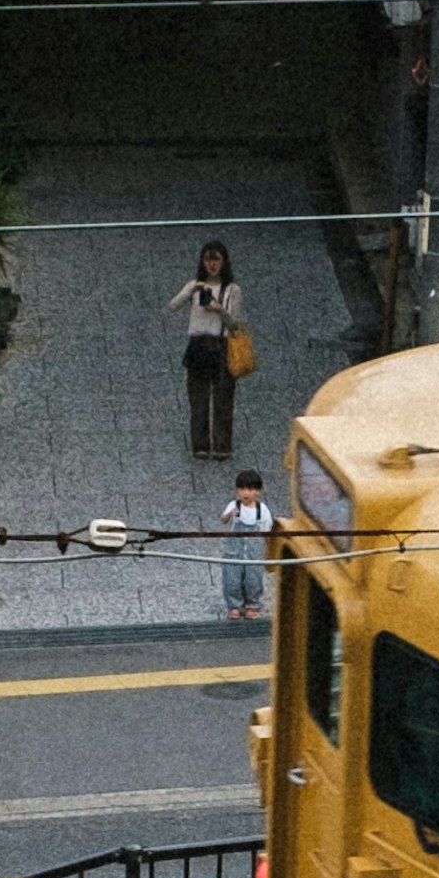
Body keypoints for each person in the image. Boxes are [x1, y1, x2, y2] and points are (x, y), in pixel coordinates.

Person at [173, 240, 244, 466]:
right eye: (208, 259)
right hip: (197, 345)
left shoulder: (232, 290)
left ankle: (222, 446)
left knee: (223, 399)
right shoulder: (195, 286)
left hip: (220, 345)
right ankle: (200, 446)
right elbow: (173, 305)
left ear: (224, 262)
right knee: (198, 399)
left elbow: (235, 324)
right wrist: (190, 290)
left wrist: (220, 310)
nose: (212, 264)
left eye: (216, 260)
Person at [218, 464, 273, 625]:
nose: (245, 493)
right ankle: (234, 606)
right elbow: (223, 520)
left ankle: (252, 605)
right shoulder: (234, 505)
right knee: (232, 578)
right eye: (241, 489)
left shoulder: (262, 509)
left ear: (257, 492)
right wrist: (230, 514)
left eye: (249, 489)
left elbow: (267, 528)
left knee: (253, 578)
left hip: (254, 551)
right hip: (234, 550)